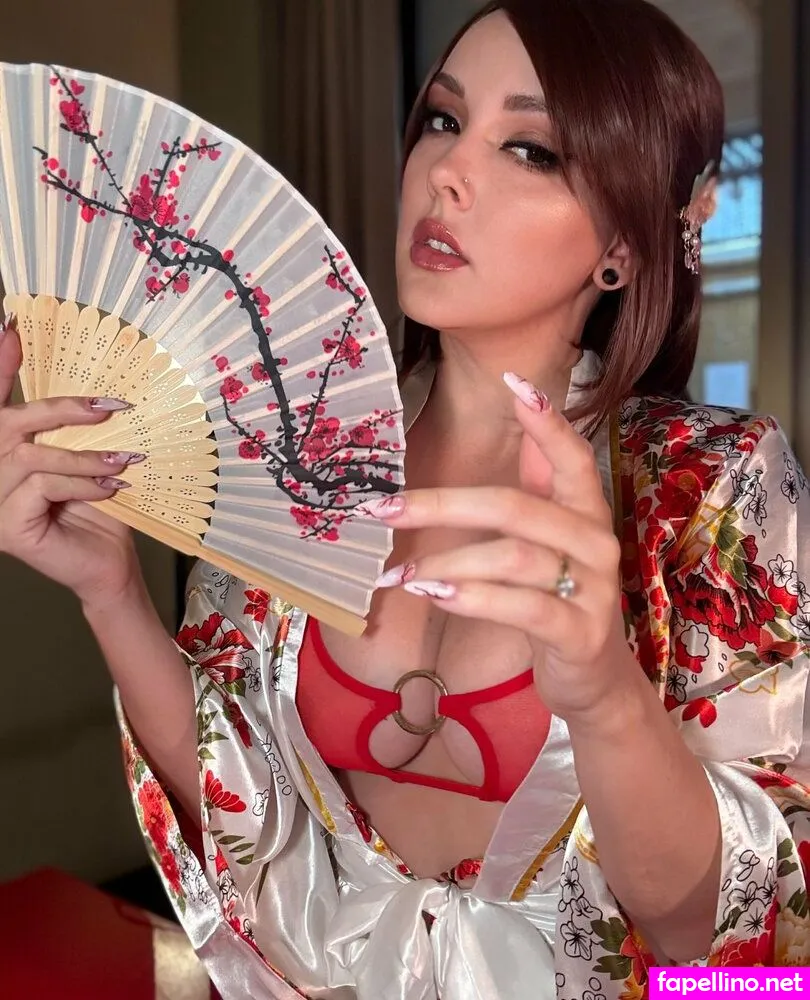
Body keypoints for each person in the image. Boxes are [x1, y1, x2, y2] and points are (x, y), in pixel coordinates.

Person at [0, 0, 808, 996]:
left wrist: (605, 698)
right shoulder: (292, 441)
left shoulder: (712, 485)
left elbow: (747, 952)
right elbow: (237, 810)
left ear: (624, 248)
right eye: (442, 120)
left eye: (531, 150)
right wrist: (112, 593)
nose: (448, 171)